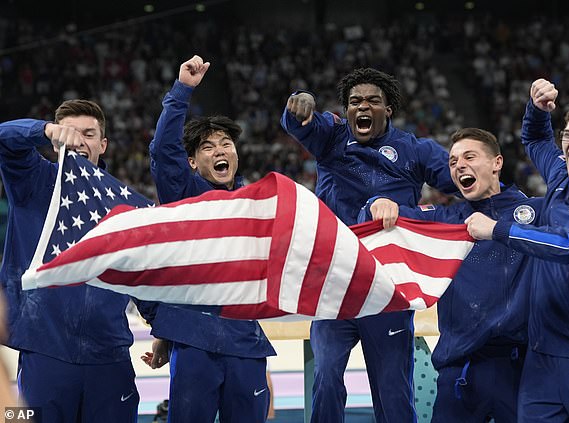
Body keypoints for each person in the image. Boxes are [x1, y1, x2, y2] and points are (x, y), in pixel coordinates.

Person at [281, 67, 456, 423]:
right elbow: (300, 122)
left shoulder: (414, 149)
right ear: (346, 110)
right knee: (326, 377)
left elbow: (462, 184)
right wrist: (299, 104)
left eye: (373, 101)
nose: (363, 106)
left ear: (388, 109)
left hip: (388, 287)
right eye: (355, 101)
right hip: (336, 283)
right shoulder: (332, 136)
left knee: (394, 391)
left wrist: (406, 212)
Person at [465, 78, 569, 422]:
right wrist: (537, 109)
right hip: (540, 361)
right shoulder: (561, 178)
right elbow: (537, 139)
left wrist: (499, 229)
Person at [361, 127, 542, 422]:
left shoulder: (534, 213)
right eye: (453, 162)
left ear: (497, 163)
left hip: (521, 368)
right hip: (460, 370)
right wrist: (377, 203)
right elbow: (392, 217)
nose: (459, 166)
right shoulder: (446, 220)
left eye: (469, 157)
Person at [142, 55, 275, 423]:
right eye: (208, 147)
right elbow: (163, 150)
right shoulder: (182, 192)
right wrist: (182, 90)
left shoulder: (258, 202)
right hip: (193, 338)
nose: (220, 151)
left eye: (225, 144)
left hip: (245, 339)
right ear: (192, 162)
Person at [0, 100, 140, 421]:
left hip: (110, 355)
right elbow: (3, 137)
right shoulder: (32, 181)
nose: (78, 140)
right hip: (46, 352)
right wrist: (43, 129)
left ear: (102, 145)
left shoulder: (124, 203)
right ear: (54, 140)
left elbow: (141, 273)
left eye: (88, 134)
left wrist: (164, 329)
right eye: (68, 132)